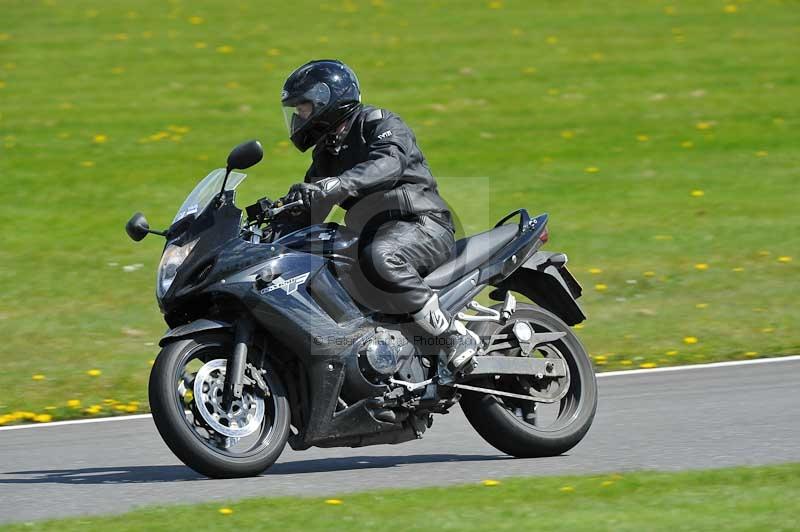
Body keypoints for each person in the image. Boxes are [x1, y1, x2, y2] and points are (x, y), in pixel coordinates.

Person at [280, 59, 478, 372]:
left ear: (326, 100)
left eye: (303, 107)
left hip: (422, 225)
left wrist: (340, 183)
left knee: (381, 255)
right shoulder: (326, 153)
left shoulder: (379, 123)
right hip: (374, 233)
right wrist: (280, 223)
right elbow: (312, 210)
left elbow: (388, 164)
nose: (299, 117)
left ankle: (451, 335)